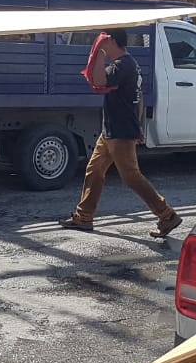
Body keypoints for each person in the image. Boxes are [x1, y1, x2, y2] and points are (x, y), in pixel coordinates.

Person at [59, 29, 181, 239]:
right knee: (94, 171)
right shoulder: (130, 64)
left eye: (104, 41)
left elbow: (98, 80)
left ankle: (166, 215)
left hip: (120, 131)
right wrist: (139, 126)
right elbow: (139, 97)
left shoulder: (122, 65)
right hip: (113, 130)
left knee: (131, 177)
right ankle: (84, 216)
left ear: (112, 41)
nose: (101, 44)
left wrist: (98, 53)